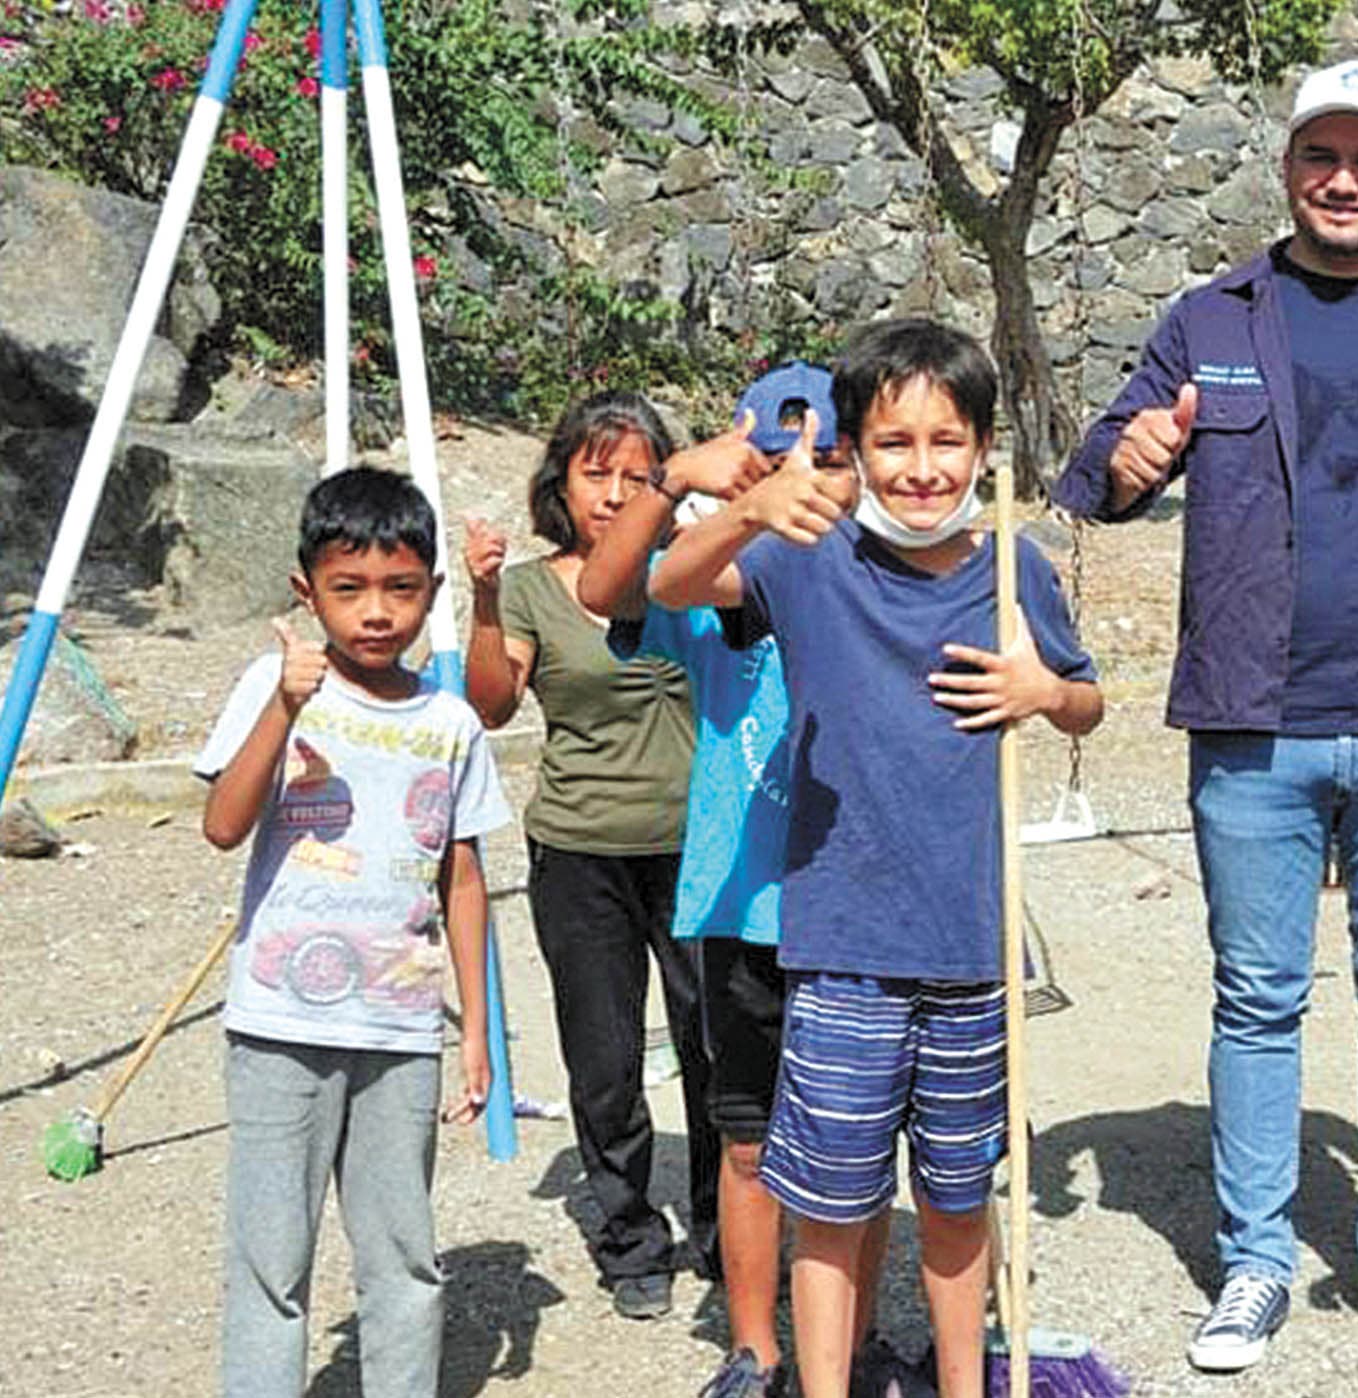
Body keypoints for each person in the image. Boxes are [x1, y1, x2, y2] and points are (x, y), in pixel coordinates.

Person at [1051, 57, 1358, 1374]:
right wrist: (1127, 457)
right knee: (1258, 996)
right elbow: (1093, 478)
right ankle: (1256, 1261)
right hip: (1251, 719)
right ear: (1286, 168)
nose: (1343, 181)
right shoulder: (1208, 318)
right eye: (1321, 156)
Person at [650, 318, 1103, 1398]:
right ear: (855, 448)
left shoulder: (1014, 567)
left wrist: (1046, 692)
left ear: (984, 447)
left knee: (957, 1198)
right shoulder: (807, 559)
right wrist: (749, 510)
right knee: (830, 1206)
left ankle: (964, 1382)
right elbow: (670, 587)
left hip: (971, 949)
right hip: (841, 949)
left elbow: (1087, 702)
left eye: (947, 442)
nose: (922, 468)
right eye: (894, 443)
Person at [575, 365, 905, 1398]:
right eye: (775, 462)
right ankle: (754, 1348)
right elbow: (606, 591)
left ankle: (852, 1344)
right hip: (743, 903)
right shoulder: (718, 574)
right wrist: (679, 481)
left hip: (862, 906)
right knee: (751, 1136)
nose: (807, 480)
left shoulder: (887, 565)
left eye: (832, 461)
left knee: (860, 1144)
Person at [198, 467, 510, 1397]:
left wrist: (478, 1032)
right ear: (308, 591)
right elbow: (222, 825)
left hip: (399, 1029)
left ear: (432, 591)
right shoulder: (275, 685)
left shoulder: (450, 722)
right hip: (278, 1024)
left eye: (400, 588)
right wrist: (284, 710)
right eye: (349, 588)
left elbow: (463, 879)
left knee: (402, 1254)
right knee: (270, 1258)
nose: (377, 611)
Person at [463, 391, 715, 1321]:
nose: (614, 494)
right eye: (596, 473)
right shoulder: (534, 589)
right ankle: (630, 1240)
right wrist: (484, 596)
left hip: (701, 847)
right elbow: (492, 705)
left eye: (637, 475)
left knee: (717, 1049)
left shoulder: (698, 569)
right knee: (604, 1063)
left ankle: (726, 1233)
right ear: (560, 484)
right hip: (580, 854)